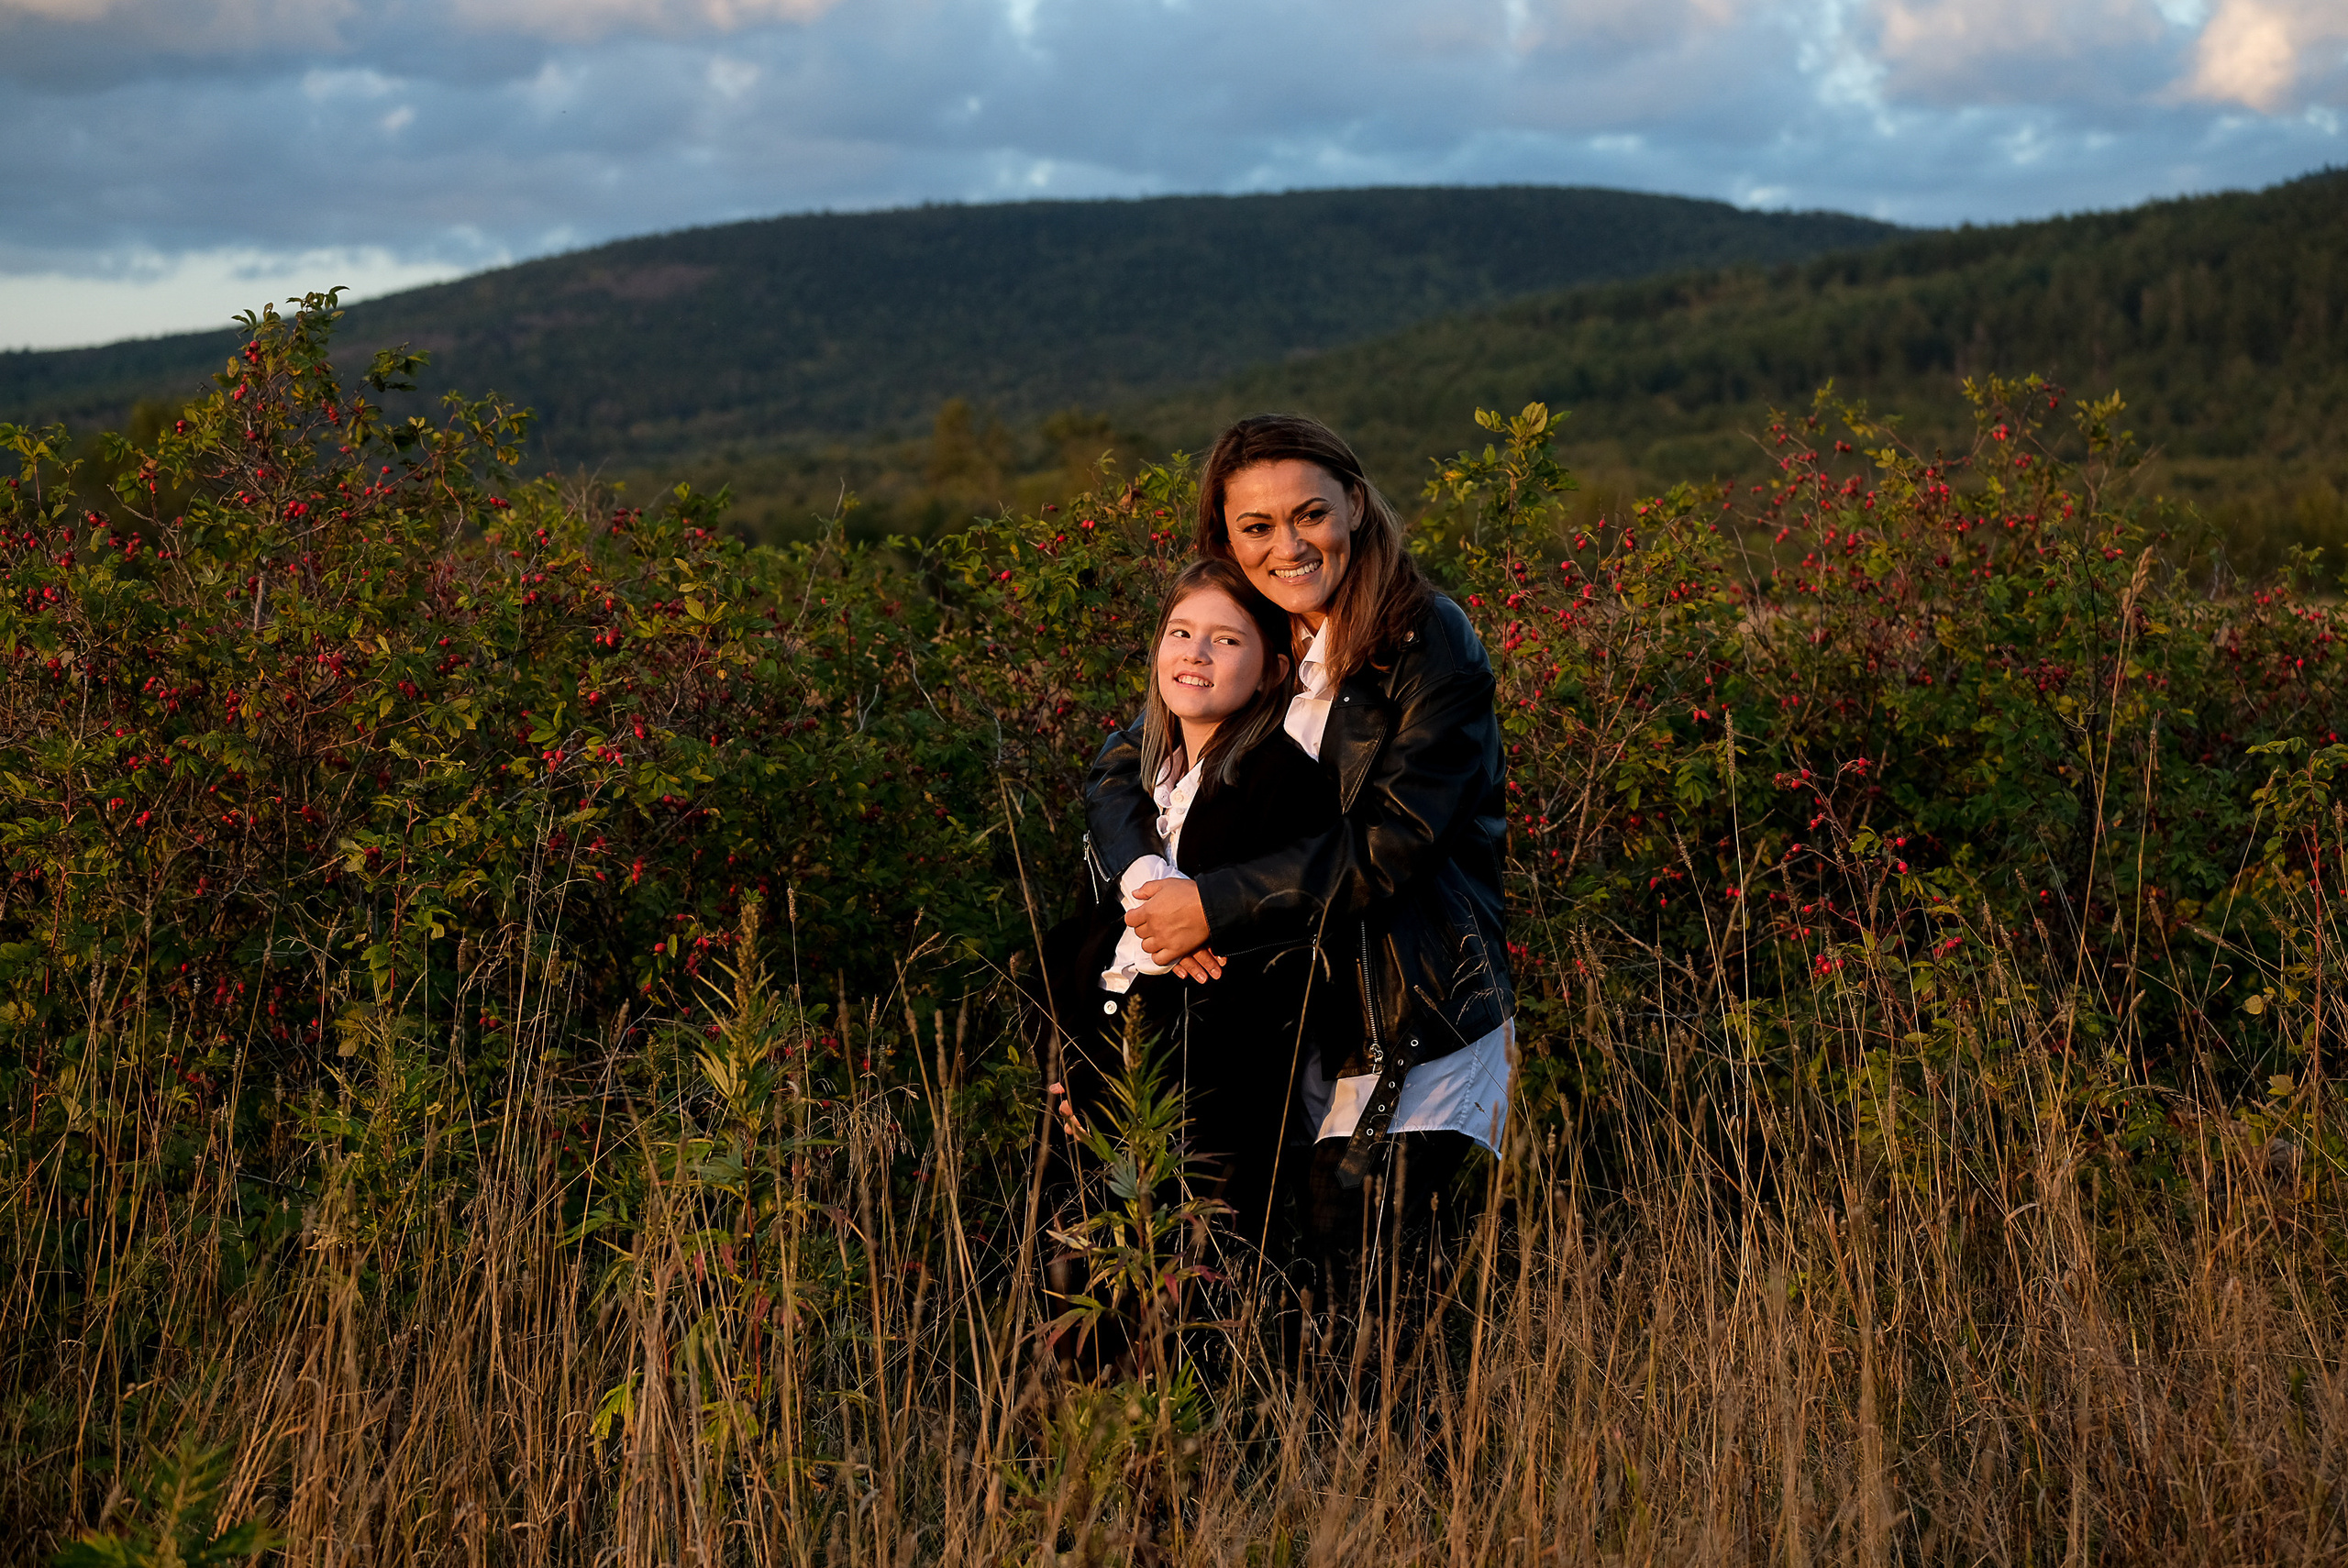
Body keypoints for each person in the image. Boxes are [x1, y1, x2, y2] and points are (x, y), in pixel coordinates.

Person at [1083, 413, 1513, 1316]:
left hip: (1411, 1007)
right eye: (1256, 527)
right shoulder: (1265, 639)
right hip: (1294, 1011)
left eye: (1309, 514)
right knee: (1282, 1272)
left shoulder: (1428, 642)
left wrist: (1212, 906)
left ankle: (1431, 1452)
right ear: (1226, 539)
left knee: (1365, 1263)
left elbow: (1393, 843)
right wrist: (1149, 885)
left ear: (1354, 504)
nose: (1289, 545)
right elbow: (1123, 763)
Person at [1041, 558, 1343, 1297]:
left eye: (1225, 640)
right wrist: (1065, 1061)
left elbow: (1281, 969)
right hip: (1097, 1083)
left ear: (1274, 671)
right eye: (1180, 632)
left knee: (1189, 1304)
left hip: (1205, 1109)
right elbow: (1079, 940)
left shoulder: (1283, 782)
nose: (1195, 654)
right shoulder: (1143, 786)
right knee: (1076, 1298)